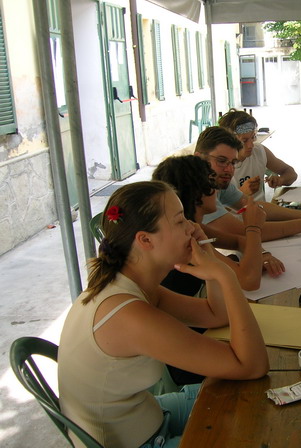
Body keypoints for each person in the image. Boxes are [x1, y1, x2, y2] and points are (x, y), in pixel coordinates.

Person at [58, 181, 269, 447]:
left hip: (147, 414)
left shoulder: (133, 286)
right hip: (135, 441)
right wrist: (226, 276)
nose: (192, 227)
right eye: (180, 221)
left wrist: (211, 261)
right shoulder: (129, 315)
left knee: (253, 398)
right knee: (256, 429)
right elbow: (252, 365)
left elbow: (216, 314)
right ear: (145, 240)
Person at [152, 155, 285, 291]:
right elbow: (249, 281)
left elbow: (238, 241)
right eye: (211, 183)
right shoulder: (185, 238)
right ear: (196, 192)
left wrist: (264, 254)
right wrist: (253, 228)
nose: (217, 190)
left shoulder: (193, 226)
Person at [194, 126, 301, 240]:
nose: (229, 169)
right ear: (198, 158)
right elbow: (242, 233)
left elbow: (253, 206)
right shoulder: (196, 190)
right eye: (221, 161)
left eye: (233, 163)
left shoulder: (216, 181)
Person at [219, 109, 298, 201]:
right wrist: (241, 193)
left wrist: (280, 180)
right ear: (229, 141)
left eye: (253, 137)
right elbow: (214, 206)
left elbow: (291, 173)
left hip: (261, 208)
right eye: (244, 141)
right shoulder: (219, 166)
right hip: (235, 211)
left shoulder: (259, 151)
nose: (251, 145)